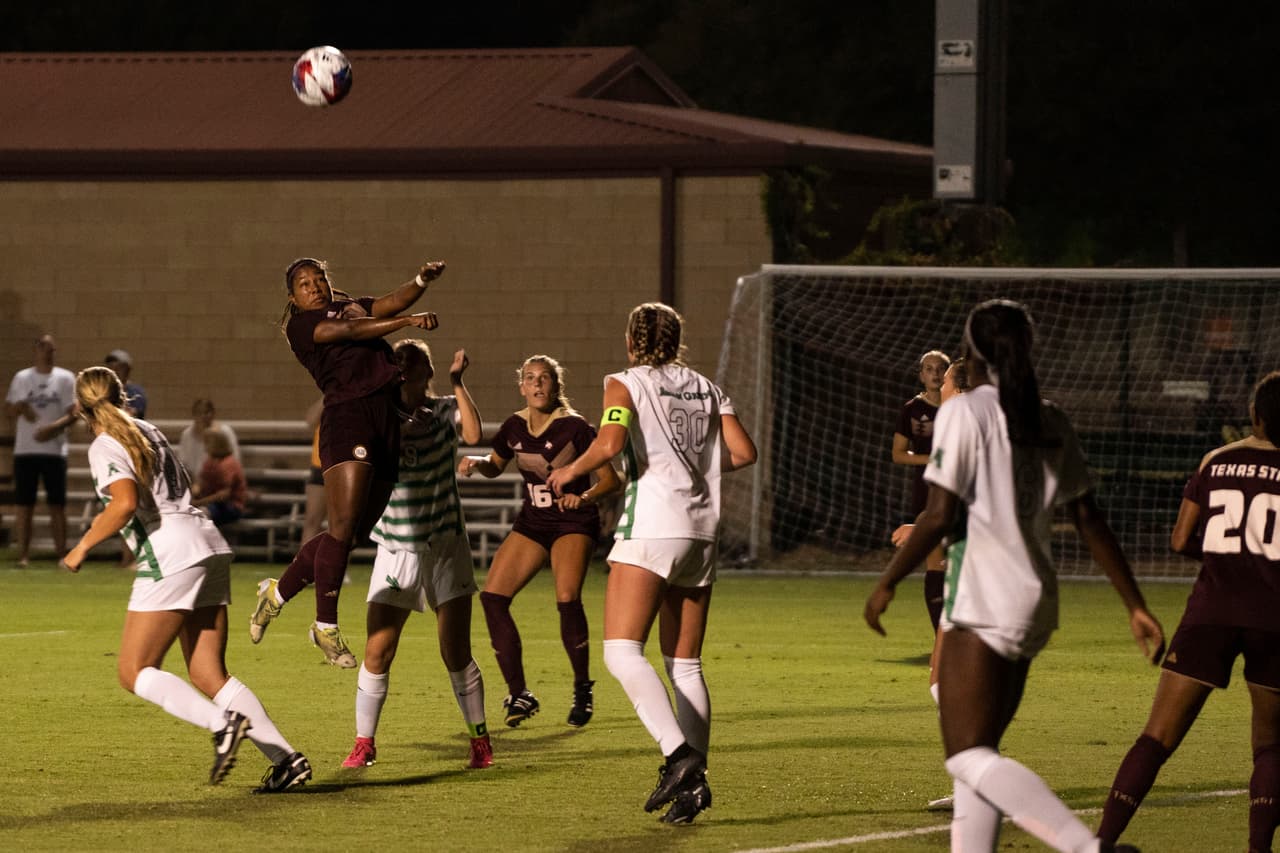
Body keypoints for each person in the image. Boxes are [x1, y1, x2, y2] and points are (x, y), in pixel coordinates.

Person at [864, 299, 1164, 853]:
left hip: (981, 596)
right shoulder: (1049, 416)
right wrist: (1135, 604)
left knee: (967, 756)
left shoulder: (965, 411)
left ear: (972, 351)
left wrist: (888, 580)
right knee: (981, 757)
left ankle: (1085, 847)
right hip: (1035, 600)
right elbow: (1088, 518)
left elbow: (940, 512)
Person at [545, 302, 757, 825]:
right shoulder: (708, 387)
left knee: (620, 652)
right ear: (677, 339)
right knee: (685, 663)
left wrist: (571, 469)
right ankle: (694, 787)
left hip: (653, 525)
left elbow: (611, 441)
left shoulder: (625, 382)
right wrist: (697, 466)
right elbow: (744, 452)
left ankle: (679, 757)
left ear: (630, 340)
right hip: (701, 532)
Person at [59, 365, 310, 792]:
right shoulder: (149, 429)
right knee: (209, 673)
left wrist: (82, 546)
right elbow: (182, 486)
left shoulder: (104, 444)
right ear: (122, 395)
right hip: (206, 541)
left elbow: (123, 504)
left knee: (133, 670)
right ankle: (286, 760)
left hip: (170, 551)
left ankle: (221, 724)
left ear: (80, 408)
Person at [1098, 370, 1280, 853]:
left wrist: (1228, 557)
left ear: (1254, 415)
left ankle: (1100, 843)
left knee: (1156, 738)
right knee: (1270, 745)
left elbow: (1180, 539)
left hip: (1211, 611)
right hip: (1275, 617)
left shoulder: (1218, 460)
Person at [250, 257, 446, 668]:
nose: (314, 286)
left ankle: (277, 593)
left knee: (349, 535)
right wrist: (408, 322)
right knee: (339, 529)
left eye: (319, 278)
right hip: (349, 417)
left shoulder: (350, 303)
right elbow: (353, 331)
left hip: (385, 418)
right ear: (293, 297)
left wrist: (419, 280)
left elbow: (388, 302)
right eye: (304, 283)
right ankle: (325, 626)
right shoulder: (301, 326)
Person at [342, 340, 494, 771]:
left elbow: (474, 435)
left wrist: (459, 382)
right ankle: (364, 743)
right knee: (379, 650)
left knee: (455, 650)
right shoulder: (382, 415)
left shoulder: (445, 408)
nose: (408, 368)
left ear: (429, 370)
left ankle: (480, 741)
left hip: (445, 542)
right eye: (401, 362)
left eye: (416, 361)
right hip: (396, 544)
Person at [459, 354, 621, 728]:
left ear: (555, 385)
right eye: (530, 378)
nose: (537, 384)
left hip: (572, 521)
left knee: (567, 599)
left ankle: (583, 688)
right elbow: (496, 466)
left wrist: (582, 497)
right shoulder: (514, 426)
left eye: (544, 378)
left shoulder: (577, 428)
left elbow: (613, 481)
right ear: (521, 386)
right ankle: (520, 693)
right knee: (493, 598)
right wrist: (477, 461)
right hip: (533, 521)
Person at [5, 334, 77, 566]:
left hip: (54, 451)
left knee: (57, 504)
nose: (47, 352)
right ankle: (24, 555)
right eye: (43, 347)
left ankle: (61, 554)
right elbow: (9, 408)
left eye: (51, 348)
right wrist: (21, 408)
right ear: (35, 349)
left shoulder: (65, 378)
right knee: (25, 505)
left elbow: (73, 413)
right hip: (26, 450)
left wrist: (52, 429)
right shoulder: (22, 378)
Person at [892, 350, 950, 634]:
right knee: (937, 562)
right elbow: (898, 454)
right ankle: (941, 637)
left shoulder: (961, 408)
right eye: (929, 369)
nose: (936, 374)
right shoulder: (912, 410)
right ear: (921, 375)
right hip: (929, 492)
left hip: (961, 492)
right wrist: (932, 459)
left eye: (941, 369)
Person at [192, 429, 248, 528]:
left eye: (207, 443)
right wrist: (192, 493)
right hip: (212, 503)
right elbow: (201, 482)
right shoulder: (210, 461)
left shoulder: (228, 463)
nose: (205, 447)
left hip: (231, 506)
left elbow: (223, 495)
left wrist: (198, 502)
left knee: (202, 514)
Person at [177, 398, 241, 477]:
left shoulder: (225, 432)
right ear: (193, 415)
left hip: (220, 479)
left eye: (206, 412)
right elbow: (183, 464)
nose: (203, 416)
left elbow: (235, 461)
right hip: (193, 482)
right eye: (199, 412)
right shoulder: (186, 434)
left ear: (213, 414)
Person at [300, 398, 327, 543]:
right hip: (321, 464)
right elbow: (310, 420)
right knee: (312, 521)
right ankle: (304, 565)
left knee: (345, 525)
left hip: (348, 465)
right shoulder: (331, 393)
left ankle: (338, 565)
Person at [104, 349, 147, 418]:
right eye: (110, 368)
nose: (114, 371)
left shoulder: (135, 392)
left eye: (118, 368)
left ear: (127, 370)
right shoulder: (103, 392)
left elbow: (131, 415)